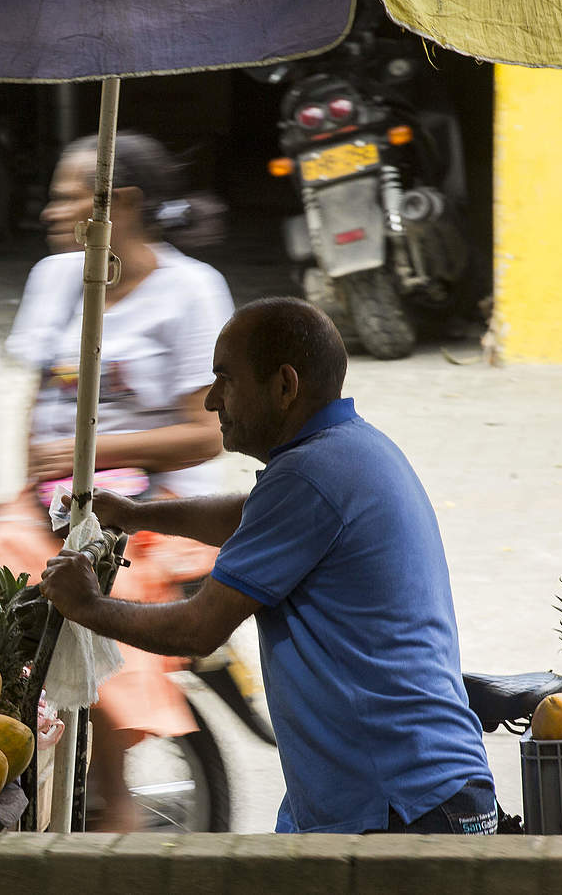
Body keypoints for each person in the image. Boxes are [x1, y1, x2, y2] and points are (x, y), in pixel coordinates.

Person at [40, 297, 495, 834]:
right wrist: (137, 514)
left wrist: (88, 605)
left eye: (225, 379)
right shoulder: (344, 451)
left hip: (400, 803)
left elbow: (198, 627)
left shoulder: (311, 476)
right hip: (370, 795)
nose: (211, 401)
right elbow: (246, 515)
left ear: (284, 385)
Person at [0, 131, 234, 831]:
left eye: (68, 196)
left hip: (154, 510)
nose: (51, 211)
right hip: (51, 504)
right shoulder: (55, 278)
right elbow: (32, 399)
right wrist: (22, 489)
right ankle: (12, 770)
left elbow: (209, 432)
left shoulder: (192, 291)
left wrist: (92, 450)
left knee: (94, 603)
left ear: (124, 206)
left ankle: (116, 800)